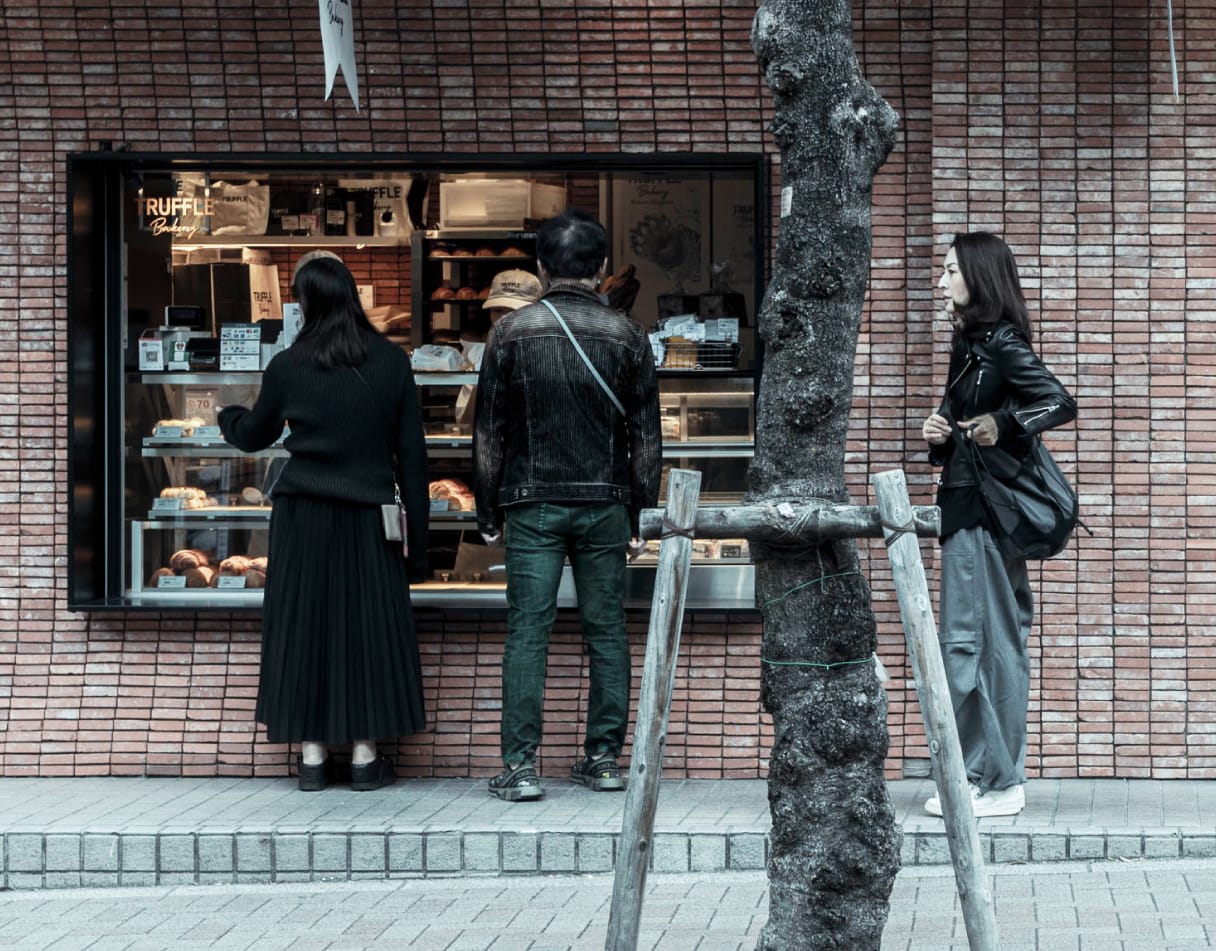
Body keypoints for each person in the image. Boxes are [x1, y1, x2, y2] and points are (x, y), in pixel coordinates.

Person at [219, 254, 430, 792]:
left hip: (303, 517)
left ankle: (312, 758)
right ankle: (364, 755)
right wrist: (419, 550)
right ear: (353, 297)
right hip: (369, 516)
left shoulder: (289, 364)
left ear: (305, 302)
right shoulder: (391, 362)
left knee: (305, 626)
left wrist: (228, 416)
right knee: (366, 629)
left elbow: (253, 436)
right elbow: (413, 459)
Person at [474, 208, 662, 802]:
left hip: (531, 505)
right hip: (606, 503)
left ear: (539, 266)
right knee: (607, 632)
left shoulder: (510, 332)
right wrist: (642, 511)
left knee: (528, 632)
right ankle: (603, 760)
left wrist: (486, 511)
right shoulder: (628, 335)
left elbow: (488, 433)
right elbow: (647, 436)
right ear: (601, 268)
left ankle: (522, 769)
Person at [921, 232, 1076, 818]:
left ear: (979, 279)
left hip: (985, 515)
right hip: (967, 507)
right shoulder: (968, 345)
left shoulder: (1002, 343)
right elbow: (956, 426)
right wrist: (940, 434)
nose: (942, 282)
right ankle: (979, 775)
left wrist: (1002, 423)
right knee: (982, 642)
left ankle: (997, 781)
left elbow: (1058, 401)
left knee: (977, 644)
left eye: (951, 272)